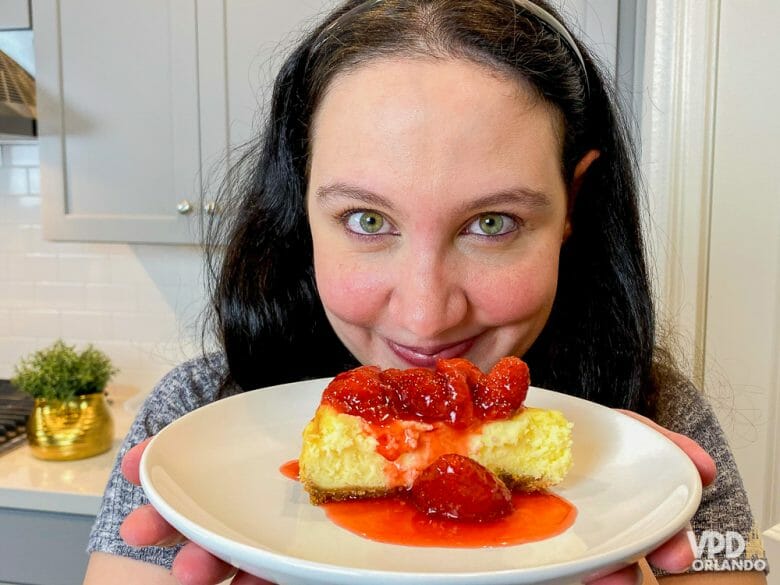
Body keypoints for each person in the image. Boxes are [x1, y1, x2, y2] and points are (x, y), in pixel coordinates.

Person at [83, 1, 768, 583]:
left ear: (571, 208)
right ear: (301, 207)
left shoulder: (666, 439)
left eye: (492, 223)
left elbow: (736, 561)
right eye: (368, 220)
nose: (425, 314)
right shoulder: (188, 425)